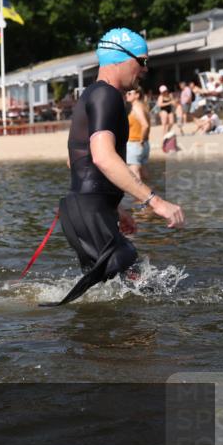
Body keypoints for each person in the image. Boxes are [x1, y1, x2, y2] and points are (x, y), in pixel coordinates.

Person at [49, 29, 184, 306]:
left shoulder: (92, 94)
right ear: (121, 58)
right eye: (142, 61)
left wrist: (115, 208)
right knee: (149, 293)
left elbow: (75, 160)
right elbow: (102, 156)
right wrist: (154, 201)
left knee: (111, 299)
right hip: (90, 212)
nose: (146, 70)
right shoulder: (107, 95)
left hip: (82, 212)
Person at [125, 88, 151, 182]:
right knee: (144, 175)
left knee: (134, 175)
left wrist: (141, 140)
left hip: (135, 144)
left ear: (137, 95)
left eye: (129, 93)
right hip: (144, 145)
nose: (127, 95)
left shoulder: (136, 107)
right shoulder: (144, 107)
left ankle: (140, 197)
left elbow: (145, 125)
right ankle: (150, 195)